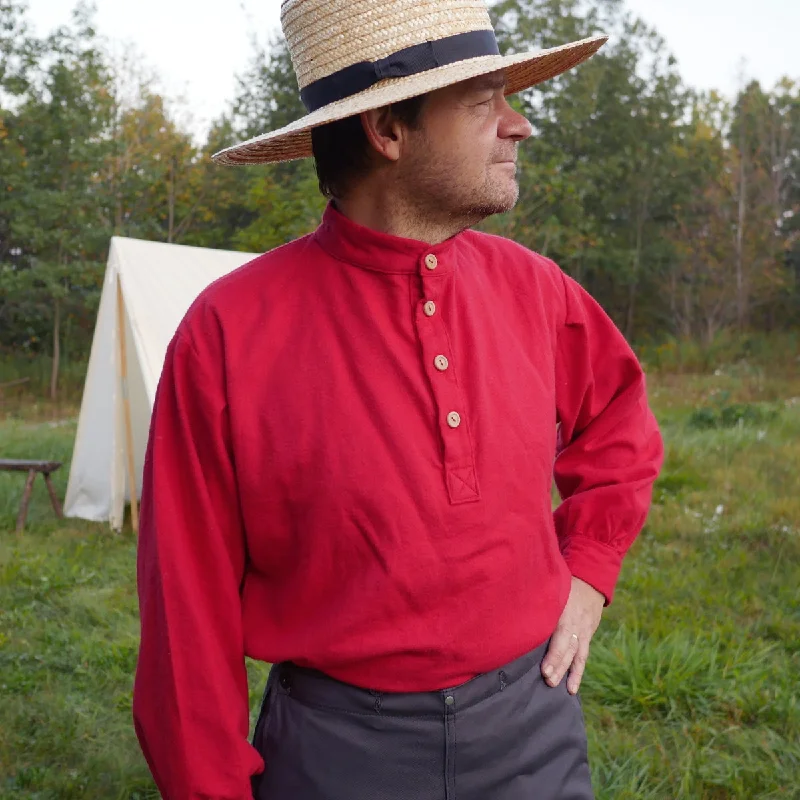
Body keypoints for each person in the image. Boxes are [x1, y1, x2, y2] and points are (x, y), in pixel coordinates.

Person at [132, 0, 664, 798]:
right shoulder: (227, 332)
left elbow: (620, 421)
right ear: (387, 129)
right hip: (335, 753)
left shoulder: (536, 290)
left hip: (533, 729)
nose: (518, 126)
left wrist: (588, 572)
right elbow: (185, 617)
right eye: (485, 100)